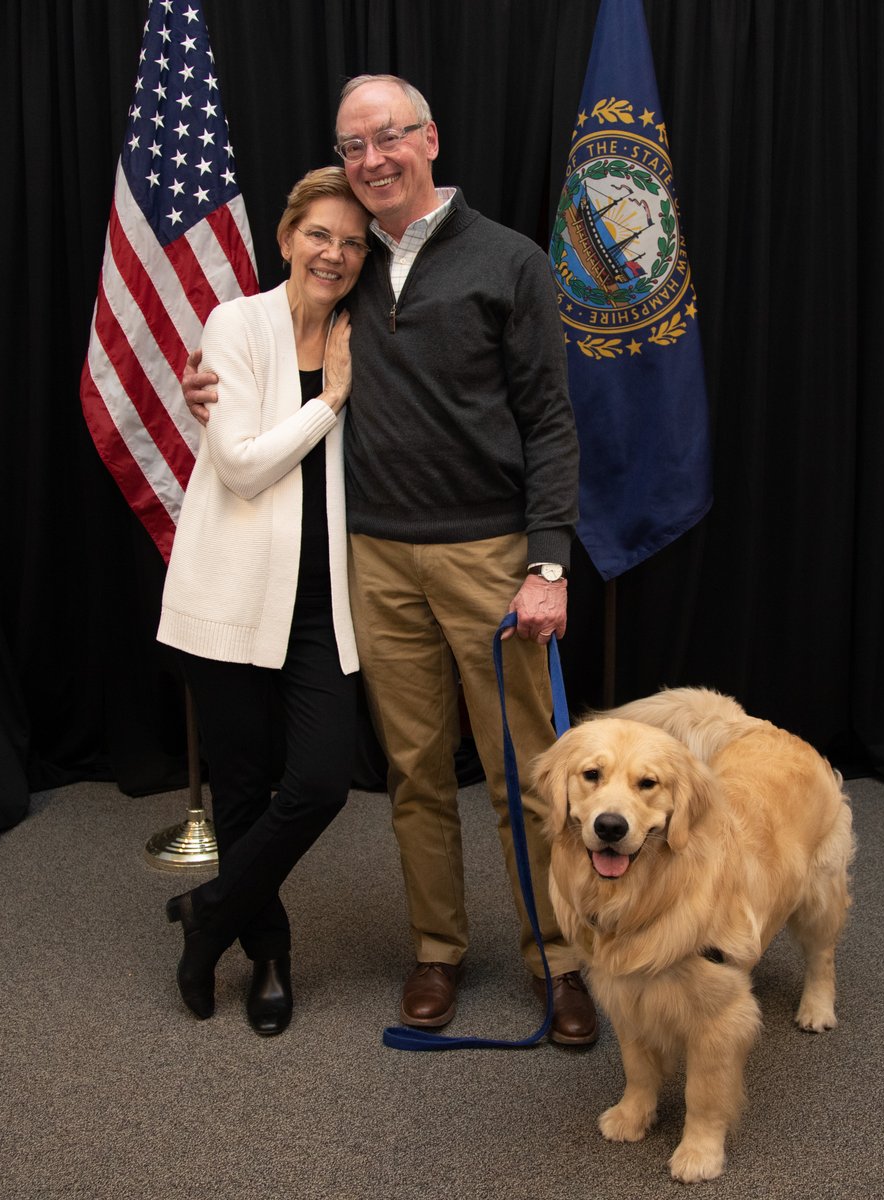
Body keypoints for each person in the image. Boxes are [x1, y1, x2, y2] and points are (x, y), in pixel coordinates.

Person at [184, 76, 597, 1046]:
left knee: (528, 773)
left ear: (430, 139)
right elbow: (263, 348)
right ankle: (437, 950)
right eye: (352, 145)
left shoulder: (512, 261)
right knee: (414, 772)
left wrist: (547, 565)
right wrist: (203, 379)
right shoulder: (346, 264)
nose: (372, 160)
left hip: (489, 560)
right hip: (368, 557)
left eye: (389, 139)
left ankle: (561, 960)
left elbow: (549, 420)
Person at [159, 167, 370, 1036]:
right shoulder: (236, 325)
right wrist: (328, 403)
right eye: (320, 234)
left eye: (353, 242)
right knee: (242, 785)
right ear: (286, 239)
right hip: (233, 591)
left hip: (322, 601)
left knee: (320, 781)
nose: (335, 253)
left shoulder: (368, 332)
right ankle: (270, 951)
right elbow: (243, 466)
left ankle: (211, 911)